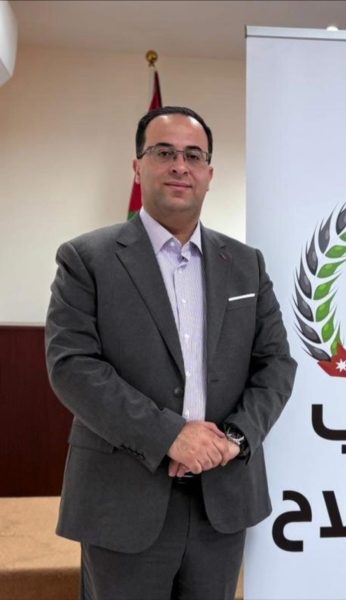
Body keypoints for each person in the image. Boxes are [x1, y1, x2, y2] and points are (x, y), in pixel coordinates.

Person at [45, 106, 297, 600]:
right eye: (164, 152)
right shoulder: (86, 259)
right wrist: (170, 436)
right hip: (122, 501)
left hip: (221, 499)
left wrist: (233, 439)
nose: (180, 165)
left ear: (209, 175)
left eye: (193, 155)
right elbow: (72, 367)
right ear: (138, 167)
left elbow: (276, 364)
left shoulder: (245, 264)